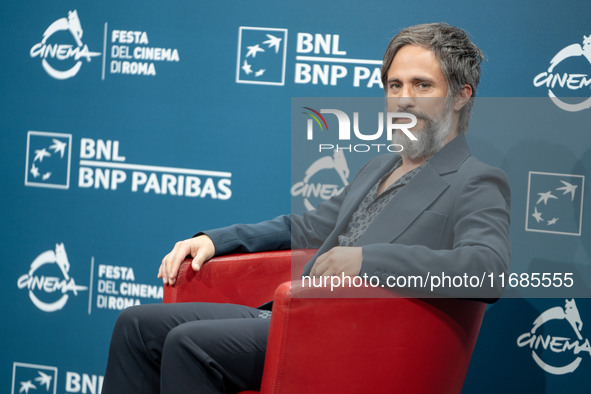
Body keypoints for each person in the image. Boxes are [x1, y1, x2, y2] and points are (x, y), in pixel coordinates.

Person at [102, 22, 511, 394]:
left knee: (187, 344)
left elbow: (487, 270)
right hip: (292, 316)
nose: (403, 99)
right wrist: (214, 239)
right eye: (394, 85)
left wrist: (368, 261)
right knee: (136, 325)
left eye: (422, 86)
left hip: (353, 340)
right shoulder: (377, 166)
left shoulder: (475, 179)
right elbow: (306, 226)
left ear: (460, 96)